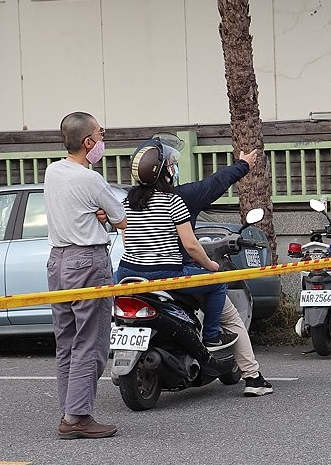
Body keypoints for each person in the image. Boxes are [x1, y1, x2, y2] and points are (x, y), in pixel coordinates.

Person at [44, 112, 127, 440]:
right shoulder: (91, 179)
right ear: (88, 142)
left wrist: (95, 215)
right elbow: (120, 218)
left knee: (66, 340)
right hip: (87, 262)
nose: (103, 140)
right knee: (91, 341)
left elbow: (75, 209)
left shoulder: (53, 171)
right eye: (100, 134)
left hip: (57, 262)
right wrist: (104, 216)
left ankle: (69, 410)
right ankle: (77, 417)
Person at [172, 145, 275, 397]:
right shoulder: (178, 198)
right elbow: (214, 184)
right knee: (227, 309)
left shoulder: (130, 201)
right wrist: (243, 165)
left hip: (133, 276)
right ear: (167, 170)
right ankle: (251, 375)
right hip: (174, 273)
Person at [113, 140, 228, 349]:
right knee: (219, 284)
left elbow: (126, 239)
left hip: (127, 272)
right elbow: (191, 244)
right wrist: (210, 266)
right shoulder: (172, 201)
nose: (173, 169)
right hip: (164, 274)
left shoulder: (126, 202)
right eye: (170, 165)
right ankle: (212, 336)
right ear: (162, 172)